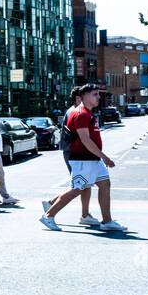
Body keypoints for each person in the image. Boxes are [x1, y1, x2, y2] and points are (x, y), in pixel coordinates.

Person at [38, 84, 125, 231]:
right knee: (77, 188)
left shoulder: (88, 113)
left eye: (98, 94)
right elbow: (85, 140)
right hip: (82, 159)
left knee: (105, 184)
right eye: (95, 94)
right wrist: (104, 157)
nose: (98, 97)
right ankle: (49, 215)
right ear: (84, 96)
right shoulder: (81, 114)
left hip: (92, 160)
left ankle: (107, 221)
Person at [42, 87, 95, 225]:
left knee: (82, 184)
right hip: (74, 152)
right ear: (79, 98)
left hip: (75, 152)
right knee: (80, 184)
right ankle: (54, 212)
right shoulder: (75, 112)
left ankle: (53, 204)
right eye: (91, 95)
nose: (95, 98)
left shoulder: (77, 111)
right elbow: (81, 137)